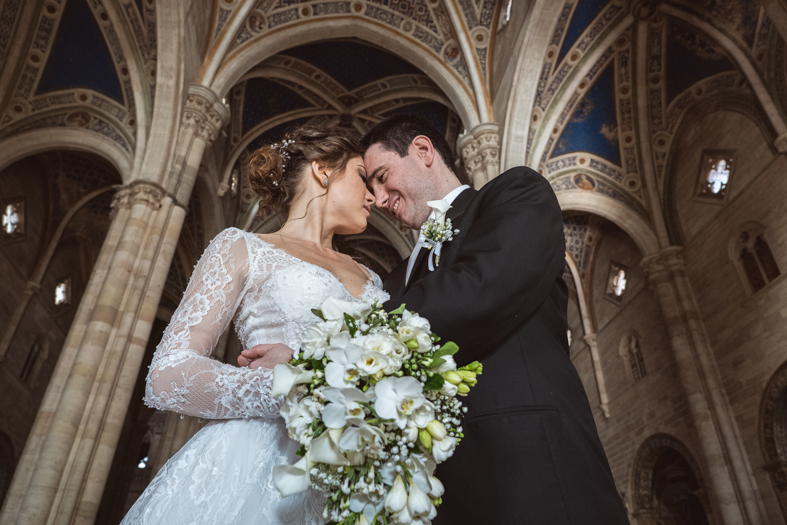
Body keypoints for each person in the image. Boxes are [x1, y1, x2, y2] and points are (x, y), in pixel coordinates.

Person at [359, 114, 630, 524]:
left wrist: (355, 339)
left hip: (533, 462)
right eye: (371, 188)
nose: (379, 199)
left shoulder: (515, 194)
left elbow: (480, 290)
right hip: (441, 491)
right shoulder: (392, 281)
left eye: (382, 177)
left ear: (423, 151)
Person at [121, 125, 386, 525]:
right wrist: (287, 385)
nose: (375, 196)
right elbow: (168, 374)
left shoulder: (373, 279)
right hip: (254, 460)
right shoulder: (243, 247)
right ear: (322, 171)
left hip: (348, 473)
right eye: (363, 178)